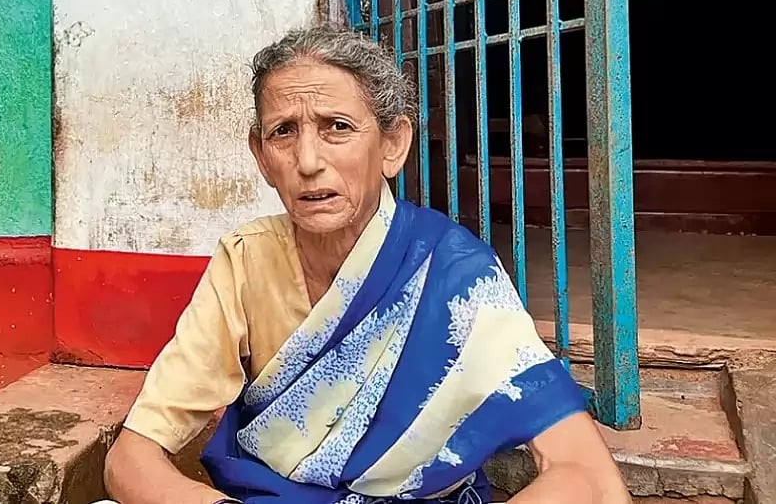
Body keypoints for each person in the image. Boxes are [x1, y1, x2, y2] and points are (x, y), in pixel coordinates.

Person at [102, 25, 631, 504]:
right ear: (261, 156)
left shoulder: (453, 274)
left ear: (393, 144)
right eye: (284, 132)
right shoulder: (245, 261)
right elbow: (131, 459)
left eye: (336, 127)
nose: (308, 162)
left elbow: (586, 472)